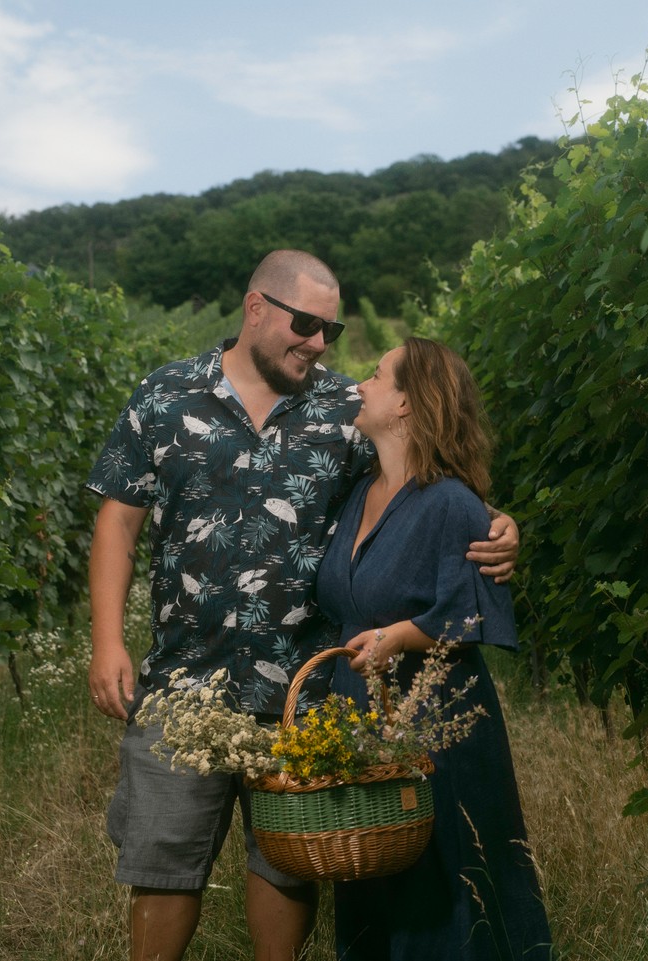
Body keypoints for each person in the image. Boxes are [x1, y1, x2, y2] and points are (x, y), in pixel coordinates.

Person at [84, 250, 520, 961]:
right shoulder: (165, 396)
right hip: (183, 683)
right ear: (257, 307)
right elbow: (118, 521)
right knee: (162, 863)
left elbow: (421, 476)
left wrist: (500, 522)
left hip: (306, 690)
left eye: (331, 328)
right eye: (307, 324)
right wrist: (108, 640)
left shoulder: (342, 408)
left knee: (286, 862)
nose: (320, 343)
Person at [316, 337, 552, 960]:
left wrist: (398, 638)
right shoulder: (357, 494)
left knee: (448, 882)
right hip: (362, 717)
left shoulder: (449, 501)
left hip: (437, 721)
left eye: (376, 374)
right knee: (375, 881)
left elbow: (469, 612)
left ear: (407, 405)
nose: (360, 384)